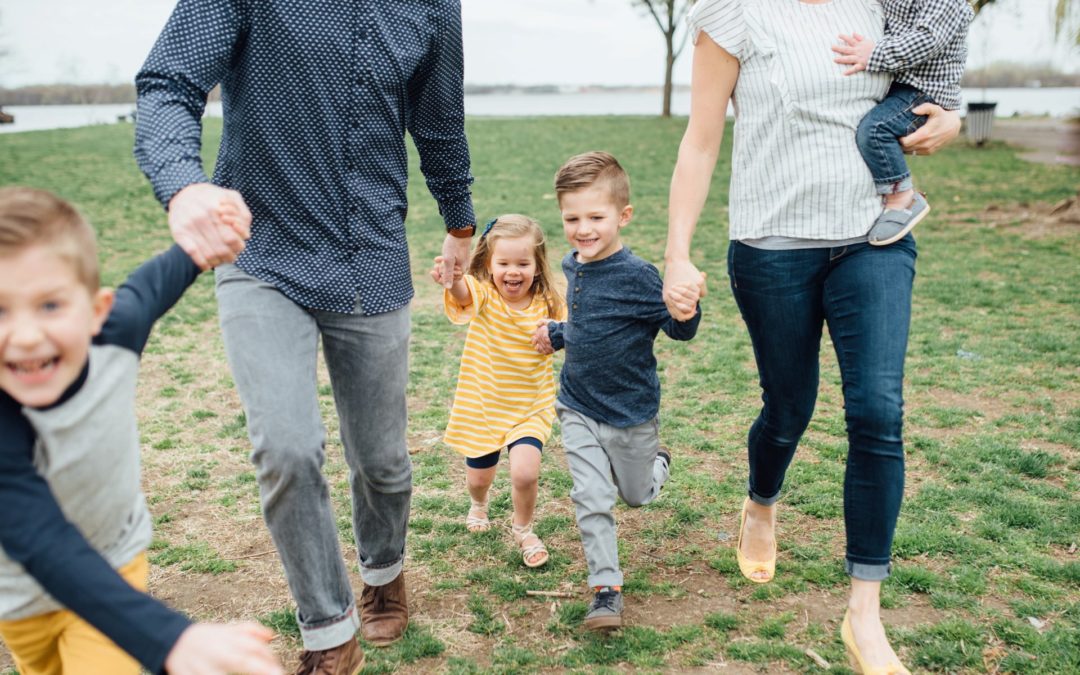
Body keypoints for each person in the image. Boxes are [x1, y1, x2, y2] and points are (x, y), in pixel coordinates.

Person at [134, 1, 477, 670]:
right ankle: (329, 632)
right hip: (260, 254)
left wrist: (460, 222)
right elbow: (168, 84)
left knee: (382, 461)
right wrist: (183, 185)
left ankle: (383, 572)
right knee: (286, 448)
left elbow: (438, 121)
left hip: (371, 254)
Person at [663, 1, 961, 672]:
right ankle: (762, 500)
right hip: (772, 245)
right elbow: (702, 138)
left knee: (878, 412)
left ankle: (864, 616)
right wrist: (677, 252)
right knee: (789, 406)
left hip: (874, 238)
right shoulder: (733, 15)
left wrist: (952, 115)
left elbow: (929, 70)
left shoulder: (881, 5)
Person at [0, 186, 282, 675]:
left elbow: (154, 283)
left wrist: (210, 239)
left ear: (97, 311)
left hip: (114, 559)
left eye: (49, 306)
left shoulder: (118, 333)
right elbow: (40, 539)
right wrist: (171, 636)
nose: (26, 336)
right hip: (20, 598)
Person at [533, 152, 704, 632]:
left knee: (635, 496)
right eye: (572, 218)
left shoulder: (639, 276)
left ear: (623, 216)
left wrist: (687, 307)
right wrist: (560, 333)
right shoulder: (573, 265)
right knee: (590, 495)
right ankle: (606, 591)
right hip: (578, 405)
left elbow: (677, 330)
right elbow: (589, 321)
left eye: (595, 217)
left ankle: (657, 467)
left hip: (631, 413)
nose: (582, 229)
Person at [429, 215, 566, 568]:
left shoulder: (550, 302)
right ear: (489, 266)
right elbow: (462, 294)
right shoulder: (484, 294)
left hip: (529, 406)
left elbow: (568, 331)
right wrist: (454, 279)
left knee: (525, 473)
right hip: (484, 405)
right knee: (478, 478)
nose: (513, 271)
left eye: (523, 263)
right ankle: (479, 503)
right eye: (503, 263)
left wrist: (558, 336)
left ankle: (523, 530)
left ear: (538, 265)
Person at [832, 0, 973, 245]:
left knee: (876, 129)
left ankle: (901, 197)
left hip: (924, 90)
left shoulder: (946, 3)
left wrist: (875, 53)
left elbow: (927, 40)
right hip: (904, 83)